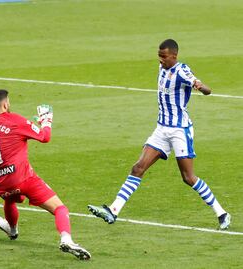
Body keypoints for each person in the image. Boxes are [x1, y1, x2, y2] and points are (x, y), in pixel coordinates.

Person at [88, 39, 231, 230]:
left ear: (174, 56)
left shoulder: (182, 71)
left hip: (180, 130)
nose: (161, 60)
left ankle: (222, 213)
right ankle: (113, 210)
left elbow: (206, 89)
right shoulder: (162, 67)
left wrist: (199, 85)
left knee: (188, 178)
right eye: (159, 56)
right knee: (138, 168)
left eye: (164, 56)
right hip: (161, 129)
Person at [0, 89, 91, 260]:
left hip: (2, 184)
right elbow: (44, 137)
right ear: (5, 104)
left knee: (9, 199)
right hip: (24, 179)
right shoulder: (15, 121)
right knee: (60, 208)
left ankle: (13, 230)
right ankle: (67, 239)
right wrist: (46, 120)